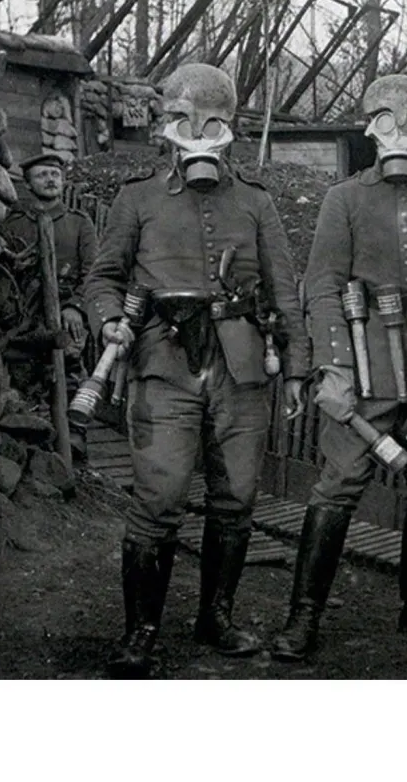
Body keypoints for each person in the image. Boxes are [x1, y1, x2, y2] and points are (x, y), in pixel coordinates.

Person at [84, 62, 309, 678]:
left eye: (211, 122)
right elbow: (102, 277)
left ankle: (217, 616)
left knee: (235, 499)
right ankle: (141, 634)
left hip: (241, 367)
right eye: (184, 120)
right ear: (166, 128)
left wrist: (295, 370)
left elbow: (285, 290)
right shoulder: (136, 198)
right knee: (158, 501)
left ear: (229, 129)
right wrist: (109, 319)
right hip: (165, 364)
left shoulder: (256, 203)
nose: (197, 134)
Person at [271, 73, 407, 662]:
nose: (398, 133)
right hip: (364, 367)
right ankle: (304, 616)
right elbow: (320, 286)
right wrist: (334, 367)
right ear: (368, 128)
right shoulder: (343, 198)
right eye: (384, 120)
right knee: (339, 484)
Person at [0, 152, 97, 463]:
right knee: (24, 379)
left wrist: (76, 308)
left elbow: (93, 272)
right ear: (27, 183)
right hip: (24, 316)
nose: (51, 180)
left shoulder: (79, 223)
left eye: (55, 174)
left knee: (70, 376)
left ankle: (75, 444)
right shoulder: (11, 222)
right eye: (42, 175)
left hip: (67, 315)